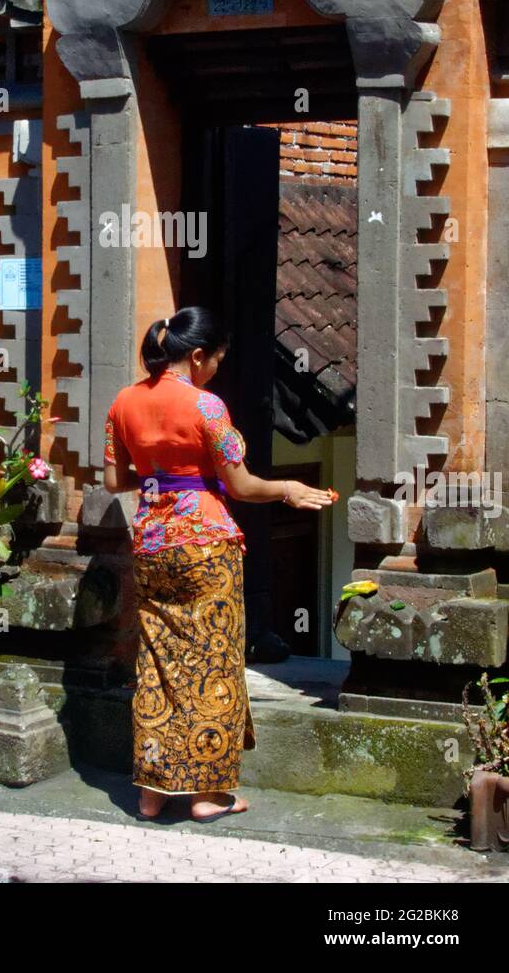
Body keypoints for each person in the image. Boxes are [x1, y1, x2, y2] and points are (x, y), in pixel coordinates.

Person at [103, 306, 335, 823]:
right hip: (206, 544)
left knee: (160, 665)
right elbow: (242, 485)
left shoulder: (123, 401)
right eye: (216, 361)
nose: (217, 372)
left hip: (151, 543)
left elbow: (114, 482)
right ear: (198, 356)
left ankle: (152, 793)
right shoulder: (207, 407)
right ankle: (205, 795)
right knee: (213, 663)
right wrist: (289, 489)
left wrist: (162, 478)